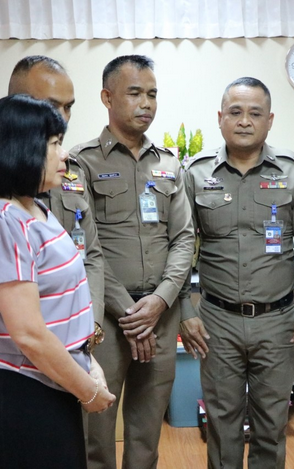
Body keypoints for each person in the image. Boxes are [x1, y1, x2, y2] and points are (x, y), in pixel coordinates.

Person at [0, 94, 115, 469]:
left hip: (50, 381)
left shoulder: (34, 207)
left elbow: (58, 305)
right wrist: (87, 390)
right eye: (54, 144)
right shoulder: (3, 221)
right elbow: (29, 333)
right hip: (20, 391)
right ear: (22, 149)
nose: (64, 155)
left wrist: (87, 362)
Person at [181, 77, 294, 468]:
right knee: (221, 423)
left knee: (272, 424)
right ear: (220, 118)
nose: (244, 121)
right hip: (217, 321)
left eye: (255, 113)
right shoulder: (195, 173)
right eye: (235, 112)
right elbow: (179, 249)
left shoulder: (293, 171)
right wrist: (184, 311)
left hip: (278, 321)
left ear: (269, 120)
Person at [72, 55, 194, 469]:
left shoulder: (169, 163)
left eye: (152, 94)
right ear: (107, 98)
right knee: (96, 431)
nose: (146, 103)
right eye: (135, 93)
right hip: (106, 319)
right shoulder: (81, 162)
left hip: (161, 314)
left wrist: (159, 302)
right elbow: (84, 248)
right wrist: (129, 313)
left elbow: (184, 238)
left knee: (147, 432)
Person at [0, 56, 106, 339]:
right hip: (31, 347)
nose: (62, 117)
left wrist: (91, 324)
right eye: (51, 106)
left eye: (68, 107)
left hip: (74, 336)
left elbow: (90, 253)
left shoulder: (68, 171)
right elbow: (11, 299)